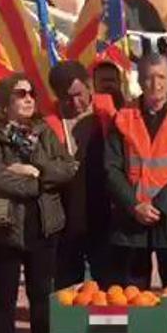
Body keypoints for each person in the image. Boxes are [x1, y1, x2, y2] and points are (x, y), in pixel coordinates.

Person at [0, 74, 79, 333]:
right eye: (21, 94)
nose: (29, 98)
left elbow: (68, 168)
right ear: (5, 103)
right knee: (4, 302)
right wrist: (32, 180)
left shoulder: (43, 131)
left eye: (31, 93)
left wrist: (36, 170)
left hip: (44, 228)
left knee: (41, 301)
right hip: (5, 230)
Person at [105, 54, 167, 287]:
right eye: (148, 78)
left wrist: (160, 206)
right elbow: (111, 168)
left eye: (161, 77)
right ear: (139, 81)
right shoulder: (123, 116)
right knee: (131, 292)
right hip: (131, 219)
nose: (155, 84)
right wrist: (134, 205)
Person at [47, 60, 112, 287]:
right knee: (66, 283)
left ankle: (108, 324)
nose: (75, 102)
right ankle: (68, 323)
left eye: (79, 94)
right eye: (67, 98)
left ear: (89, 86)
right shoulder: (48, 124)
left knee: (108, 284)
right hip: (65, 216)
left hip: (104, 213)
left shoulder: (110, 113)